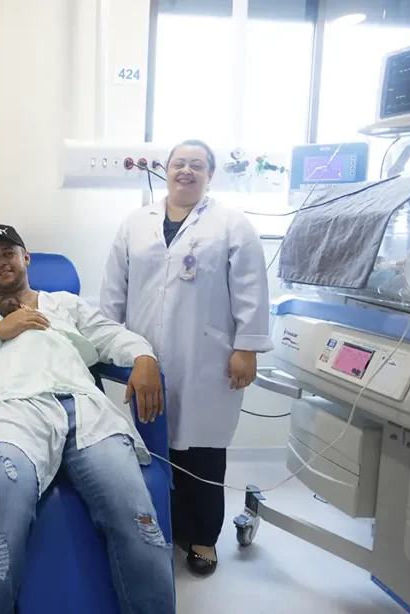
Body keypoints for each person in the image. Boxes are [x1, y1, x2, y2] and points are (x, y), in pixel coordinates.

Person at [0, 224, 176, 614]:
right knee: (2, 510)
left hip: (84, 409)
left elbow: (111, 335)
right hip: (11, 412)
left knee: (136, 516)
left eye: (9, 252)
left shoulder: (64, 303)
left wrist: (144, 357)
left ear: (26, 258)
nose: (1, 262)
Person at [99, 139, 272, 577]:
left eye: (197, 165)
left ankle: (201, 538)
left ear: (210, 175)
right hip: (142, 356)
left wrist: (246, 348)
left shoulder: (232, 225)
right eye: (179, 163)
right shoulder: (136, 223)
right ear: (167, 170)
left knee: (203, 453)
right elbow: (112, 290)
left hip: (207, 360)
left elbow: (252, 289)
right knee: (147, 447)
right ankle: (153, 525)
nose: (186, 171)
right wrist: (106, 340)